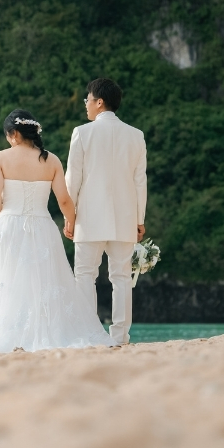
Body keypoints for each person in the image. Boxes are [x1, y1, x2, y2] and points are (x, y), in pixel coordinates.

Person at [0, 109, 114, 357]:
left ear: (14, 134)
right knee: (44, 281)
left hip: (9, 226)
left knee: (9, 281)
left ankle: (12, 334)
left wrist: (4, 212)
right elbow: (64, 200)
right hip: (42, 226)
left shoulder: (0, 158)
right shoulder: (51, 160)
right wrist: (71, 222)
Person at [65, 78, 147, 346]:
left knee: (84, 275)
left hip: (88, 218)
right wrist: (139, 219)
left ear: (99, 102)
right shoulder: (136, 135)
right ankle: (120, 337)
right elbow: (140, 181)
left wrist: (69, 216)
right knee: (121, 278)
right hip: (125, 218)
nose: (85, 104)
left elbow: (72, 179)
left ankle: (90, 335)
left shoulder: (82, 133)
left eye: (87, 99)